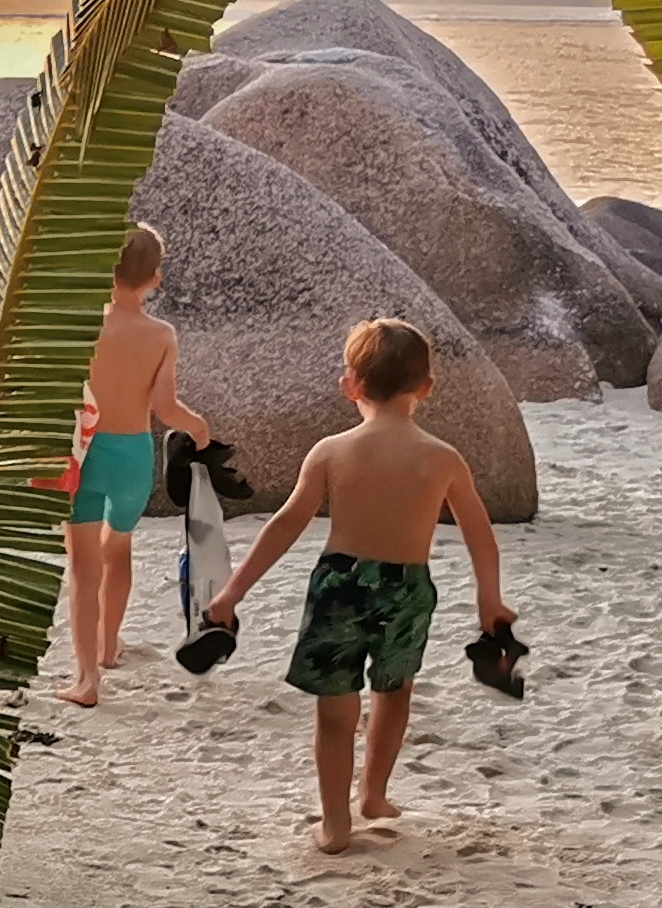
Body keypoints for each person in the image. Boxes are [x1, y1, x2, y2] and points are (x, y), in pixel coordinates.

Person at [205, 314, 515, 855]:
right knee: (393, 694)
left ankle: (336, 824)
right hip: (407, 589)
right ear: (426, 387)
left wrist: (233, 592)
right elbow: (481, 538)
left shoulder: (330, 450)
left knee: (334, 710)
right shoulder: (442, 458)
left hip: (339, 585)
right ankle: (373, 794)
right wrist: (489, 600)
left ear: (350, 383)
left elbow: (284, 525)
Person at [57, 223, 208, 707]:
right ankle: (107, 647)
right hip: (133, 455)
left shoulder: (82, 327)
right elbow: (166, 409)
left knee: (83, 568)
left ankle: (86, 680)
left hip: (86, 451)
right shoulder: (162, 335)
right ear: (155, 278)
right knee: (117, 547)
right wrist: (197, 426)